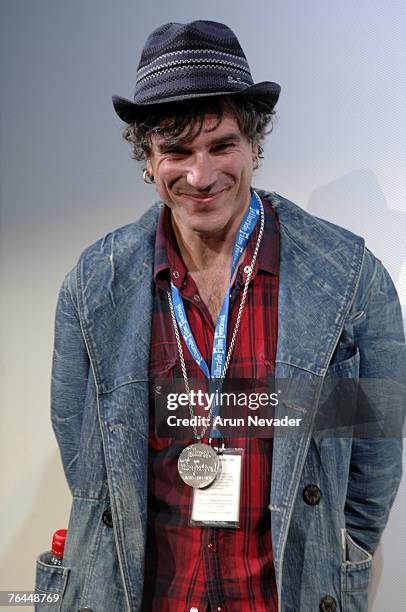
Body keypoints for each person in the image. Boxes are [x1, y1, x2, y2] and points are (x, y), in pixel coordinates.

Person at [35, 20, 405, 612]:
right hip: (147, 597)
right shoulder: (95, 283)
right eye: (176, 151)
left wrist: (340, 552)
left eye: (221, 146)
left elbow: (374, 449)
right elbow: (86, 457)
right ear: (147, 160)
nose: (201, 176)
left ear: (255, 144)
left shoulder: (349, 277)